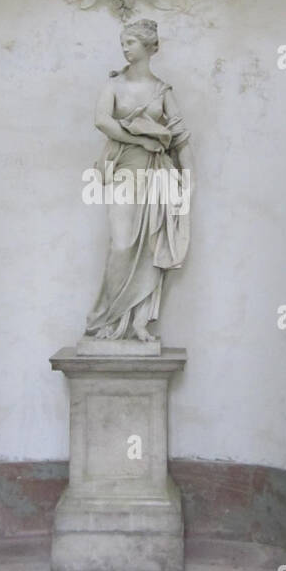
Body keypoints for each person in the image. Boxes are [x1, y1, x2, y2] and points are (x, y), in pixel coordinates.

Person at [85, 19, 191, 342]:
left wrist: (188, 182)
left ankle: (138, 322)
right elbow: (101, 120)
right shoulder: (115, 85)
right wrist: (140, 141)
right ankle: (106, 318)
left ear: (148, 47)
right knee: (121, 244)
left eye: (130, 42)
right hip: (125, 173)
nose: (124, 48)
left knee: (150, 246)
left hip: (157, 175)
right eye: (123, 42)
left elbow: (181, 137)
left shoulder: (162, 91)